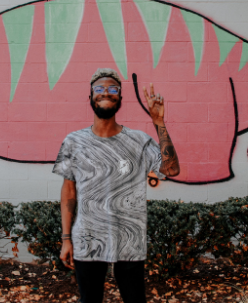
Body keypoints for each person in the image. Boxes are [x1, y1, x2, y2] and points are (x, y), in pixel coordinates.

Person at [52, 68, 180, 303]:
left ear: (120, 98)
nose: (106, 93)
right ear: (90, 97)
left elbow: (170, 169)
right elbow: (68, 191)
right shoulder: (74, 141)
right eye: (99, 89)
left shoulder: (139, 141)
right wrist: (66, 238)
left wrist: (159, 123)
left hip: (130, 240)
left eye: (113, 89)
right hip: (88, 239)